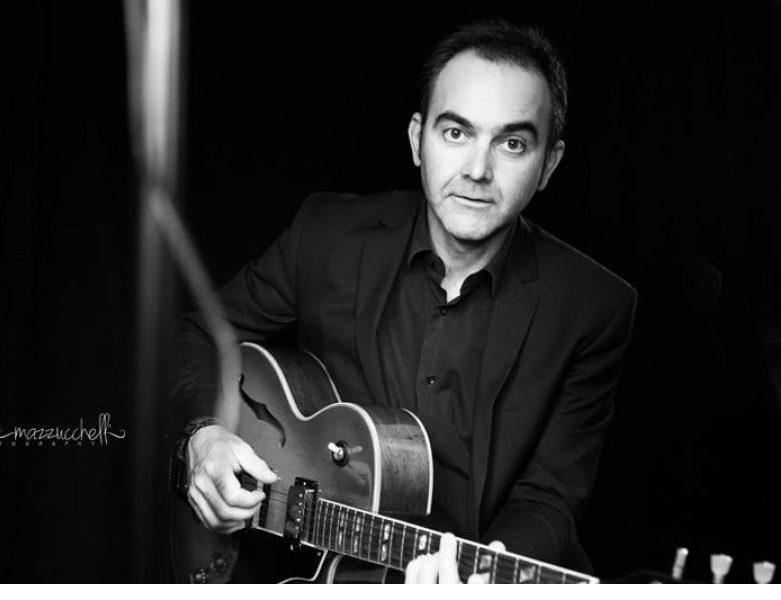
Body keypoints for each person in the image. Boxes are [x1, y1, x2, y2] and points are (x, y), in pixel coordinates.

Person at [173, 19, 637, 583]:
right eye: (456, 132)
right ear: (418, 140)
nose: (477, 170)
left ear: (549, 164)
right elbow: (197, 334)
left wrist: (484, 576)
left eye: (512, 143)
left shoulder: (591, 307)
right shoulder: (327, 235)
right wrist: (203, 436)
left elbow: (550, 497)